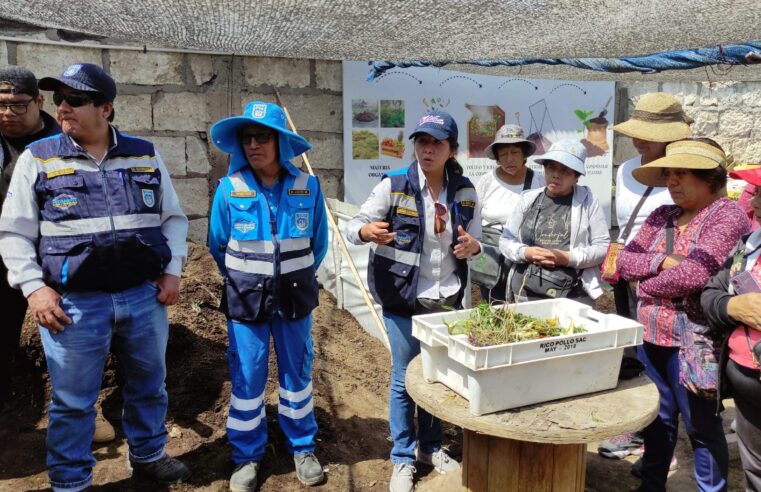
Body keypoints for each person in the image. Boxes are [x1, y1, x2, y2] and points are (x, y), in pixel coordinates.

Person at [0, 63, 190, 490]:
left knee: (149, 387)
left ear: (106, 108)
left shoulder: (144, 153)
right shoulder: (39, 157)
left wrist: (173, 272)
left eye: (76, 100)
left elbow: (173, 219)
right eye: (61, 99)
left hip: (143, 297)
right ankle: (71, 481)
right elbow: (13, 232)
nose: (63, 107)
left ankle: (148, 457)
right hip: (73, 305)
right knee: (72, 402)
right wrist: (34, 288)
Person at [346, 111, 481, 492]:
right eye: (422, 141)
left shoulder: (466, 190)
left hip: (447, 299)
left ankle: (431, 448)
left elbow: (477, 239)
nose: (428, 148)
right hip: (403, 299)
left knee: (438, 378)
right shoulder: (393, 185)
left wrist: (475, 245)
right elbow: (352, 226)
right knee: (405, 377)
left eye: (437, 142)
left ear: (452, 149)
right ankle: (402, 458)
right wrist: (365, 230)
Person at [616, 138, 750, 491]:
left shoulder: (727, 215)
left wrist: (642, 286)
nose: (672, 181)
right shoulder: (663, 215)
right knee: (656, 420)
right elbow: (622, 262)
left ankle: (711, 488)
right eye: (669, 173)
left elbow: (694, 275)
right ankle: (652, 485)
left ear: (709, 177)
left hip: (695, 341)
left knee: (700, 426)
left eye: (682, 173)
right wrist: (659, 260)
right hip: (649, 335)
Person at [208, 101, 328, 491]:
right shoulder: (229, 189)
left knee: (297, 374)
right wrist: (249, 277)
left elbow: (319, 243)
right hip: (246, 299)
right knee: (247, 377)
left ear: (281, 142)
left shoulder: (308, 187)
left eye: (262, 137)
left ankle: (303, 447)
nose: (253, 145)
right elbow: (217, 244)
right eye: (247, 139)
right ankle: (247, 455)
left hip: (295, 297)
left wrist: (292, 275)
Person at [598, 91, 692, 462]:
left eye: (647, 133)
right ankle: (642, 431)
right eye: (635, 131)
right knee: (635, 350)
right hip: (625, 272)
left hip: (663, 277)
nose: (638, 139)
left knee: (665, 356)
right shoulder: (623, 171)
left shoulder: (684, 173)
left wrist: (660, 267)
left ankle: (662, 434)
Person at [0, 65, 61, 411]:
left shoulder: (61, 143)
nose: (8, 113)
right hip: (3, 254)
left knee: (64, 332)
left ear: (39, 101)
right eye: (0, 104)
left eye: (18, 105)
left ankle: (82, 407)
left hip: (52, 256)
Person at [702, 164, 761, 491]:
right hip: (746, 380)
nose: (754, 204)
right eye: (756, 194)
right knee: (755, 470)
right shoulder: (749, 245)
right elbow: (712, 293)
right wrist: (732, 306)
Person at [499, 139, 609, 305]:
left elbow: (602, 247)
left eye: (565, 170)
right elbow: (506, 240)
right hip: (526, 290)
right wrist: (526, 253)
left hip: (574, 294)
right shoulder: (528, 199)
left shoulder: (588, 201)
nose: (556, 174)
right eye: (551, 167)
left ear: (576, 177)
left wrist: (567, 258)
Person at [474, 124, 544, 302]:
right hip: (491, 263)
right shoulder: (486, 182)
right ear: (497, 158)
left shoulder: (539, 181)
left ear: (524, 154)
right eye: (503, 154)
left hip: (527, 264)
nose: (509, 159)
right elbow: (473, 219)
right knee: (493, 310)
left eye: (514, 152)